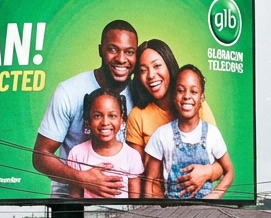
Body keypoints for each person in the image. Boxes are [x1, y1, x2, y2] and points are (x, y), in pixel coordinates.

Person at [33, 20, 138, 198]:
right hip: (70, 195)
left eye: (129, 52)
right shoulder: (68, 91)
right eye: (113, 49)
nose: (121, 59)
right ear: (100, 50)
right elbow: (40, 155)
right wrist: (82, 178)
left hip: (121, 201)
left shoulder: (141, 93)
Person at [126, 38, 223, 197]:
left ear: (169, 66)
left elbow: (221, 165)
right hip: (158, 208)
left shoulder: (196, 106)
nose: (151, 75)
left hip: (200, 204)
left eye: (157, 66)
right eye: (143, 70)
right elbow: (136, 175)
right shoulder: (138, 116)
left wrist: (207, 171)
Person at [142, 66, 234, 200]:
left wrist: (213, 196)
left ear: (202, 97)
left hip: (206, 213)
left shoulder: (212, 134)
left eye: (194, 91)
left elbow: (229, 172)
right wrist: (151, 212)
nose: (186, 96)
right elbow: (149, 180)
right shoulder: (162, 134)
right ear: (174, 96)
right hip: (173, 213)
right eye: (180, 90)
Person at [67, 90, 144, 199]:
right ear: (87, 121)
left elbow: (134, 202)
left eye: (112, 115)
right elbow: (75, 199)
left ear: (122, 119)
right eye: (97, 116)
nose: (105, 122)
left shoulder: (132, 156)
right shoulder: (77, 154)